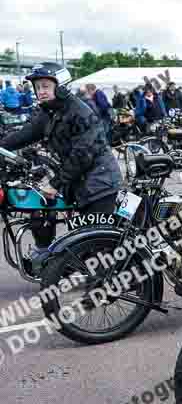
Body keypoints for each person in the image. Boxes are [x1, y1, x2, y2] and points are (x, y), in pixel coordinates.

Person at [0, 63, 122, 273]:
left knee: (94, 243)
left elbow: (82, 154)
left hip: (99, 184)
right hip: (79, 183)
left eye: (46, 86)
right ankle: (50, 261)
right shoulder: (49, 112)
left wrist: (56, 183)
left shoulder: (81, 111)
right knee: (43, 213)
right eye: (38, 87)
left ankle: (122, 284)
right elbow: (25, 134)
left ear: (62, 86)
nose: (41, 91)